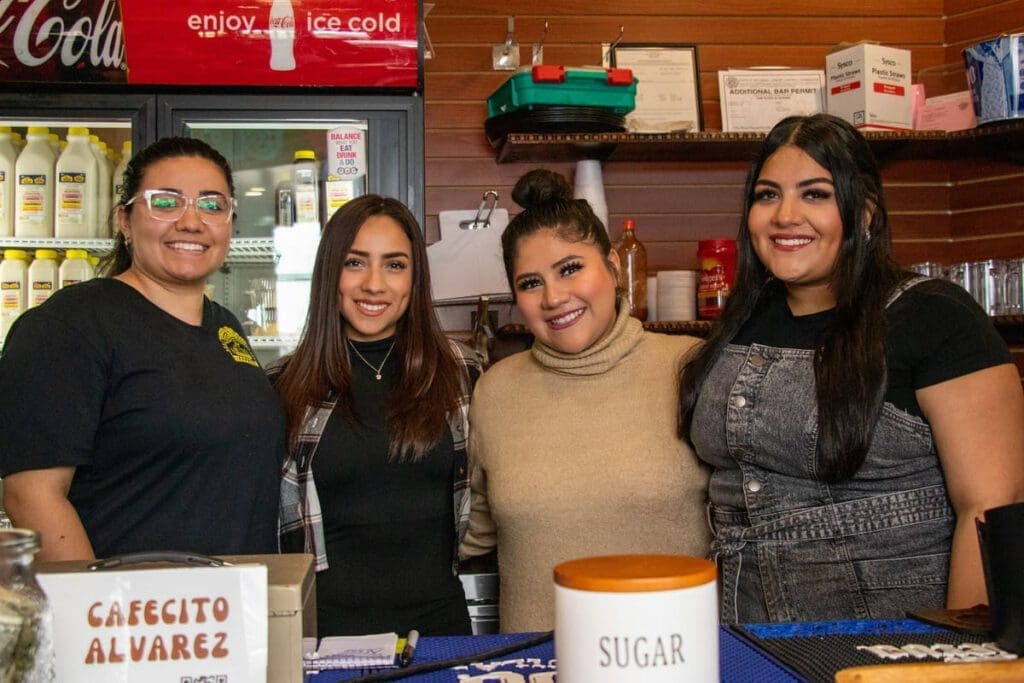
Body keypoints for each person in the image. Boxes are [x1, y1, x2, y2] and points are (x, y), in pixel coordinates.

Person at [678, 113, 1024, 624]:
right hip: (740, 634)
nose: (785, 215)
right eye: (767, 195)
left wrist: (955, 658)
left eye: (815, 194)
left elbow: (991, 507)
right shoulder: (743, 322)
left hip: (888, 638)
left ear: (863, 215)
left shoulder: (933, 316)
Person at [0, 137, 284, 561]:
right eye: (165, 202)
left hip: (228, 612)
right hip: (135, 616)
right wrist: (99, 615)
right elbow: (31, 496)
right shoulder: (71, 325)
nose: (191, 221)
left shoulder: (225, 326)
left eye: (211, 205)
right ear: (125, 221)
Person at [460, 169, 711, 632]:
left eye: (570, 268)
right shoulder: (495, 390)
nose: (554, 297)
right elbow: (473, 530)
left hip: (675, 661)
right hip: (535, 665)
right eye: (530, 283)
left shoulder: (691, 368)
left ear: (614, 266)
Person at [271, 194, 482, 637]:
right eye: (354, 263)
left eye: (394, 265)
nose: (374, 284)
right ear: (331, 273)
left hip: (440, 629)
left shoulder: (462, 373)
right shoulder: (282, 385)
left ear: (415, 278)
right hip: (323, 635)